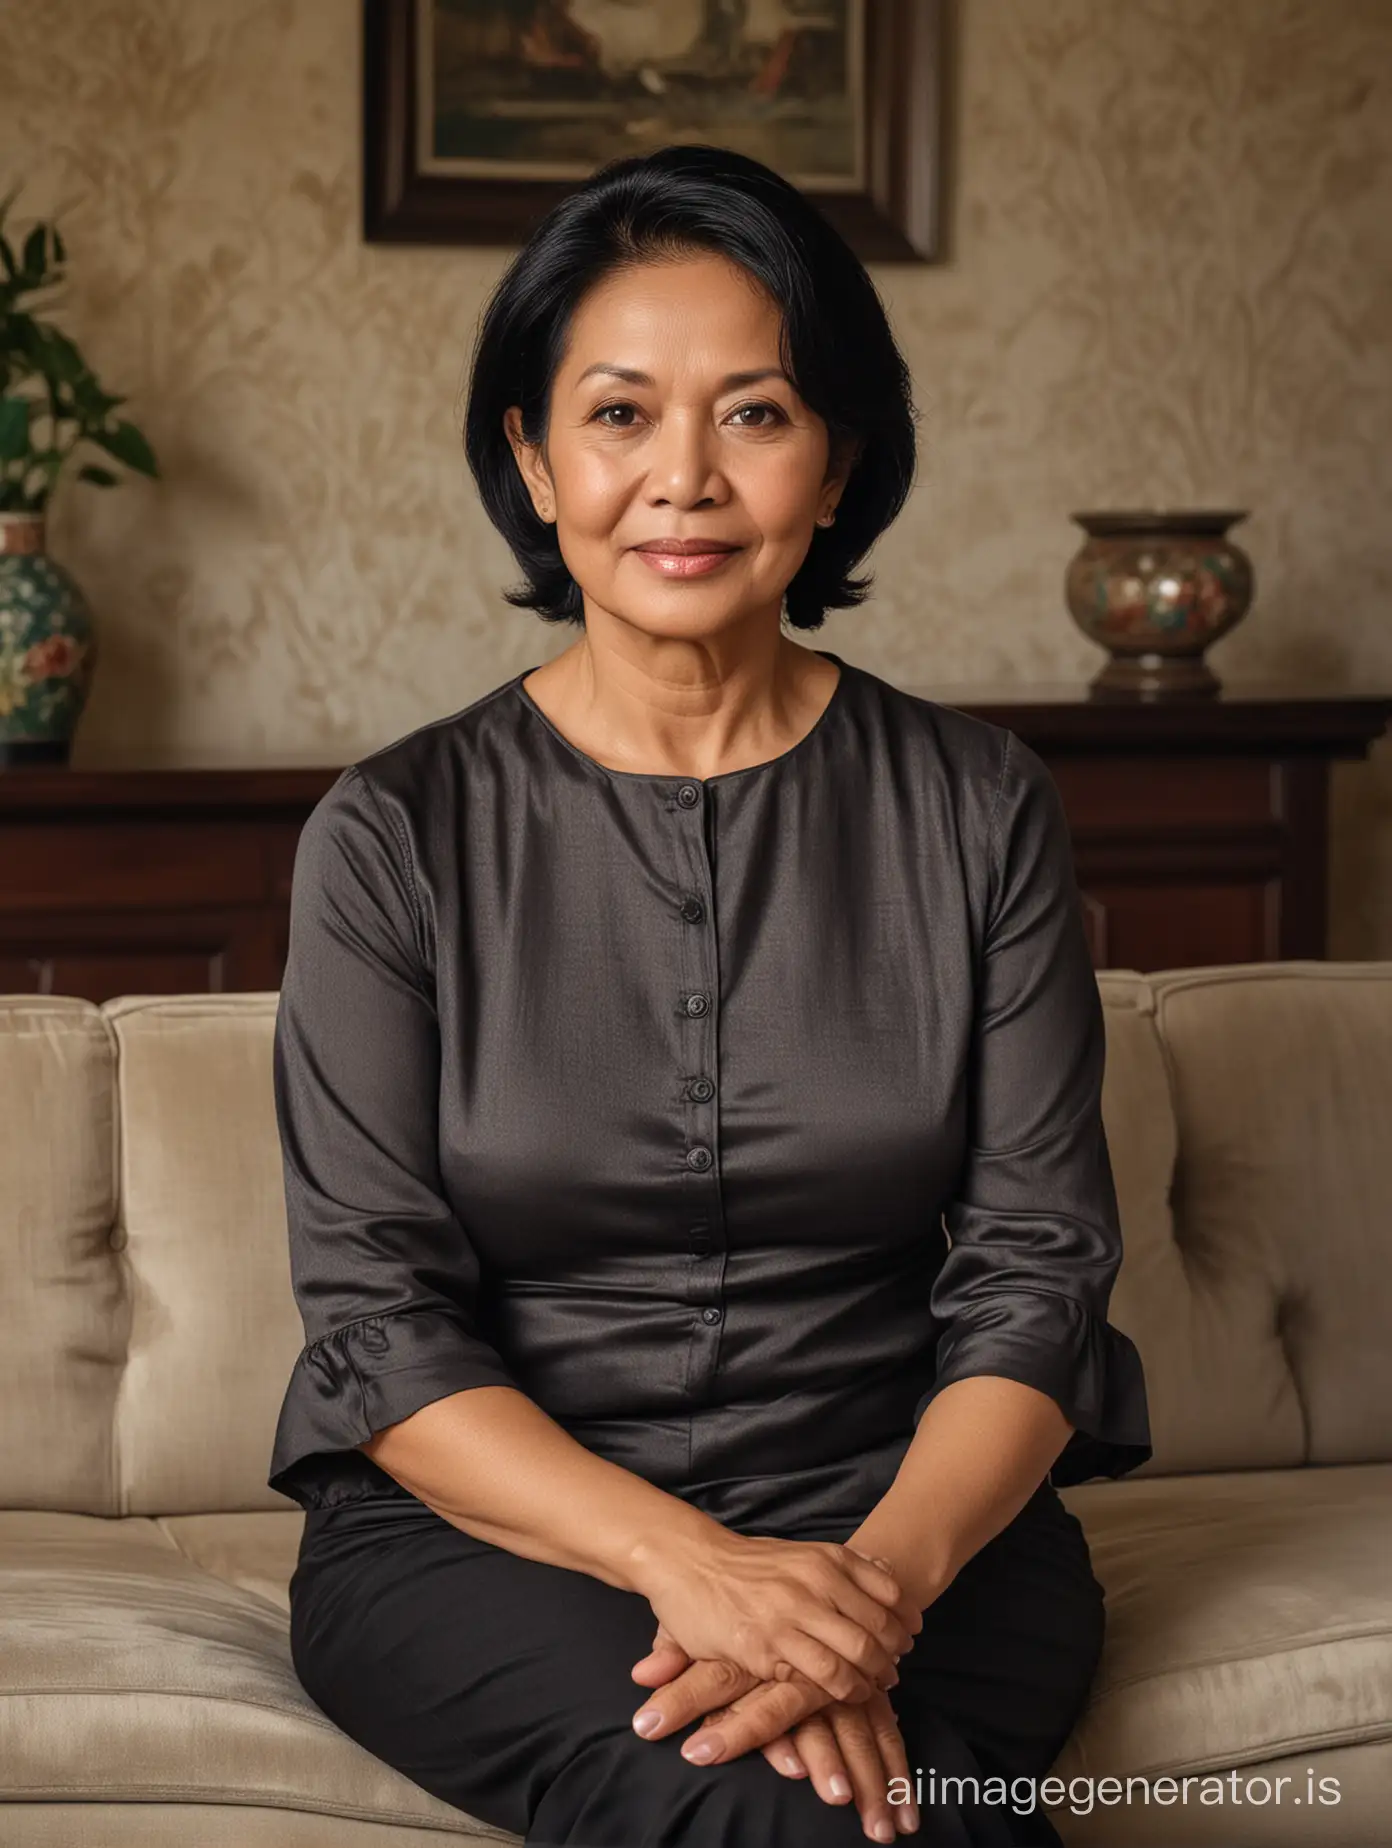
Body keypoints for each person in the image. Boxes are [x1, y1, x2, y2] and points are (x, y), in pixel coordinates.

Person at [269, 142, 1151, 1848]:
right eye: (616, 415)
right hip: (489, 1547)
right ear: (530, 461)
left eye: (754, 412)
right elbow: (377, 1322)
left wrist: (869, 1591)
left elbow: (1040, 1272)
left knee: (887, 1805)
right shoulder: (393, 834)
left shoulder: (978, 810)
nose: (683, 477)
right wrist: (695, 1570)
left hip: (915, 1525)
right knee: (818, 1815)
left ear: (838, 467)